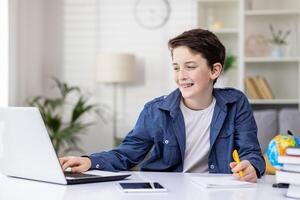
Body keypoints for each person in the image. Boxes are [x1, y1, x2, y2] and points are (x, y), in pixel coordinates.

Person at [60, 28, 265, 183]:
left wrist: (251, 167)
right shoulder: (155, 111)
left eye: (190, 67)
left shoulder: (235, 103)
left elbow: (251, 152)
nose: (181, 76)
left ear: (215, 70)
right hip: (167, 192)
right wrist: (89, 161)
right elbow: (126, 154)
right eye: (176, 68)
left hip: (216, 192)